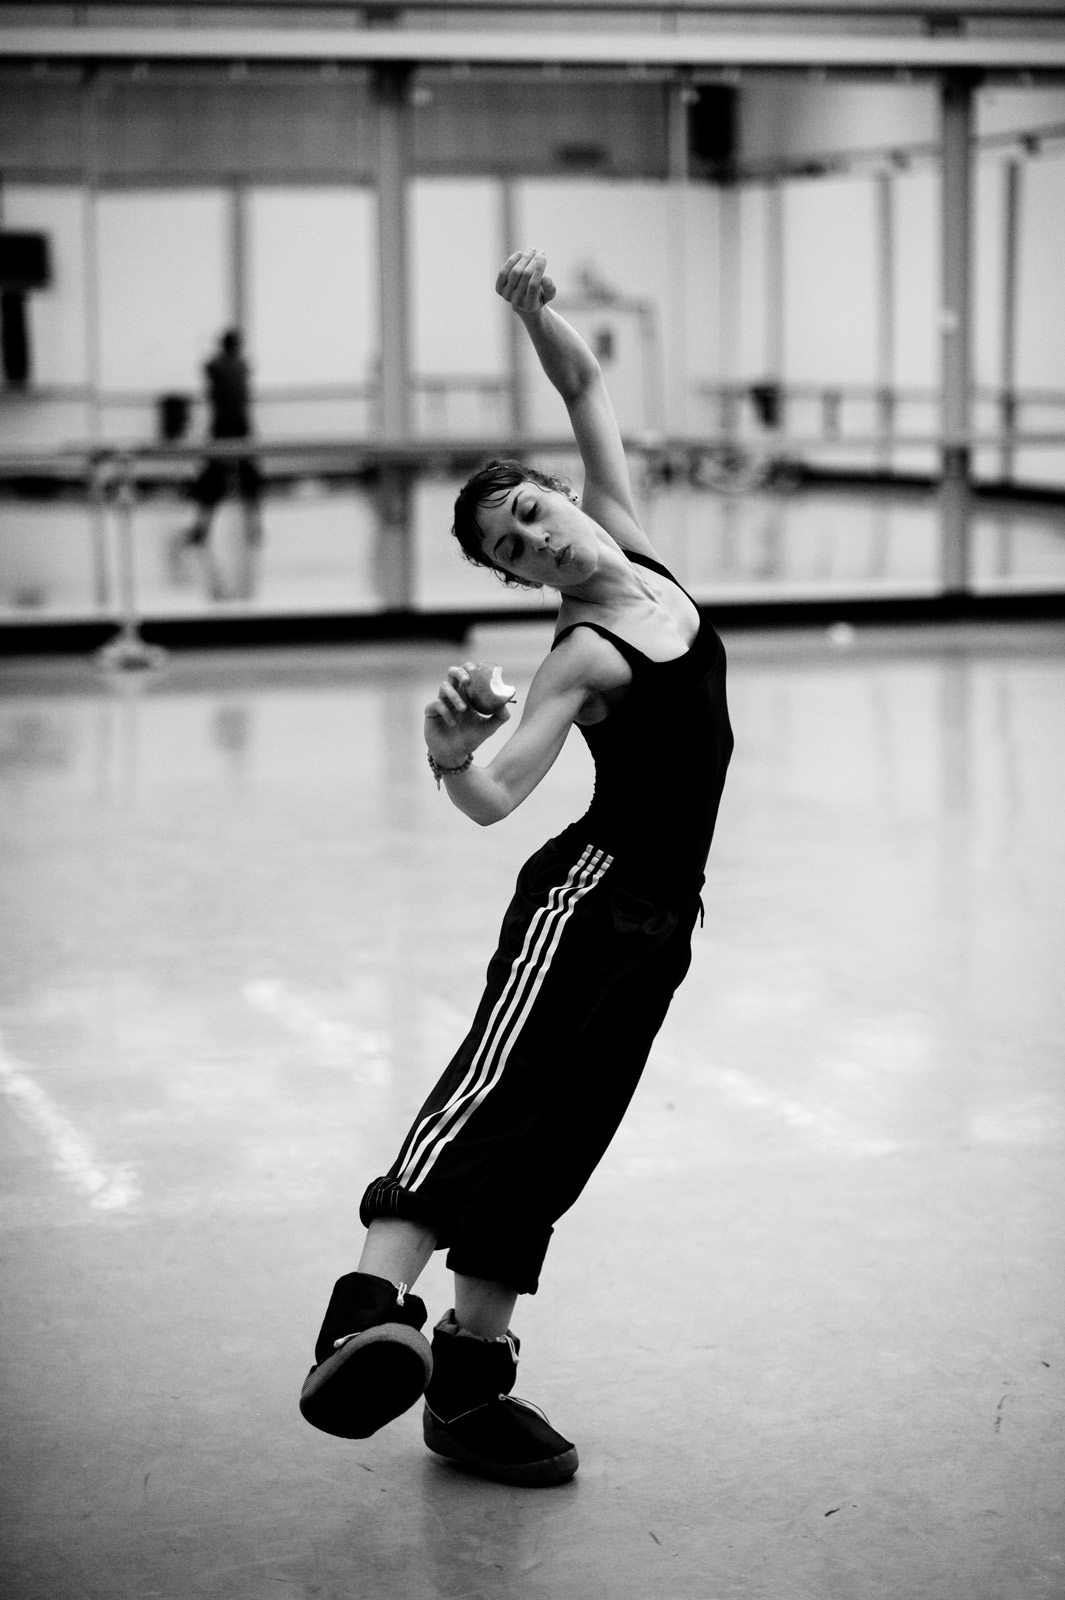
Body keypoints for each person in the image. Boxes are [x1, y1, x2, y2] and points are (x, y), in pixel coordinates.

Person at [299, 248, 734, 1488]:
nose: (538, 539)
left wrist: (538, 314)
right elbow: (496, 795)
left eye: (533, 511)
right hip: (585, 902)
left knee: (560, 1137)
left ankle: (469, 1383)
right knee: (496, 1095)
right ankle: (364, 1305)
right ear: (520, 580)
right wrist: (450, 754)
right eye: (515, 550)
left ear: (562, 495)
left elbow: (586, 387)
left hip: (663, 918)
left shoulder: (632, 542)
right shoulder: (583, 655)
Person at [173, 329, 262, 596]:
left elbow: (209, 374)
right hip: (240, 425)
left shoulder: (216, 366)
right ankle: (253, 527)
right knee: (246, 477)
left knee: (214, 480)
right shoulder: (242, 366)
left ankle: (204, 528)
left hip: (224, 426)